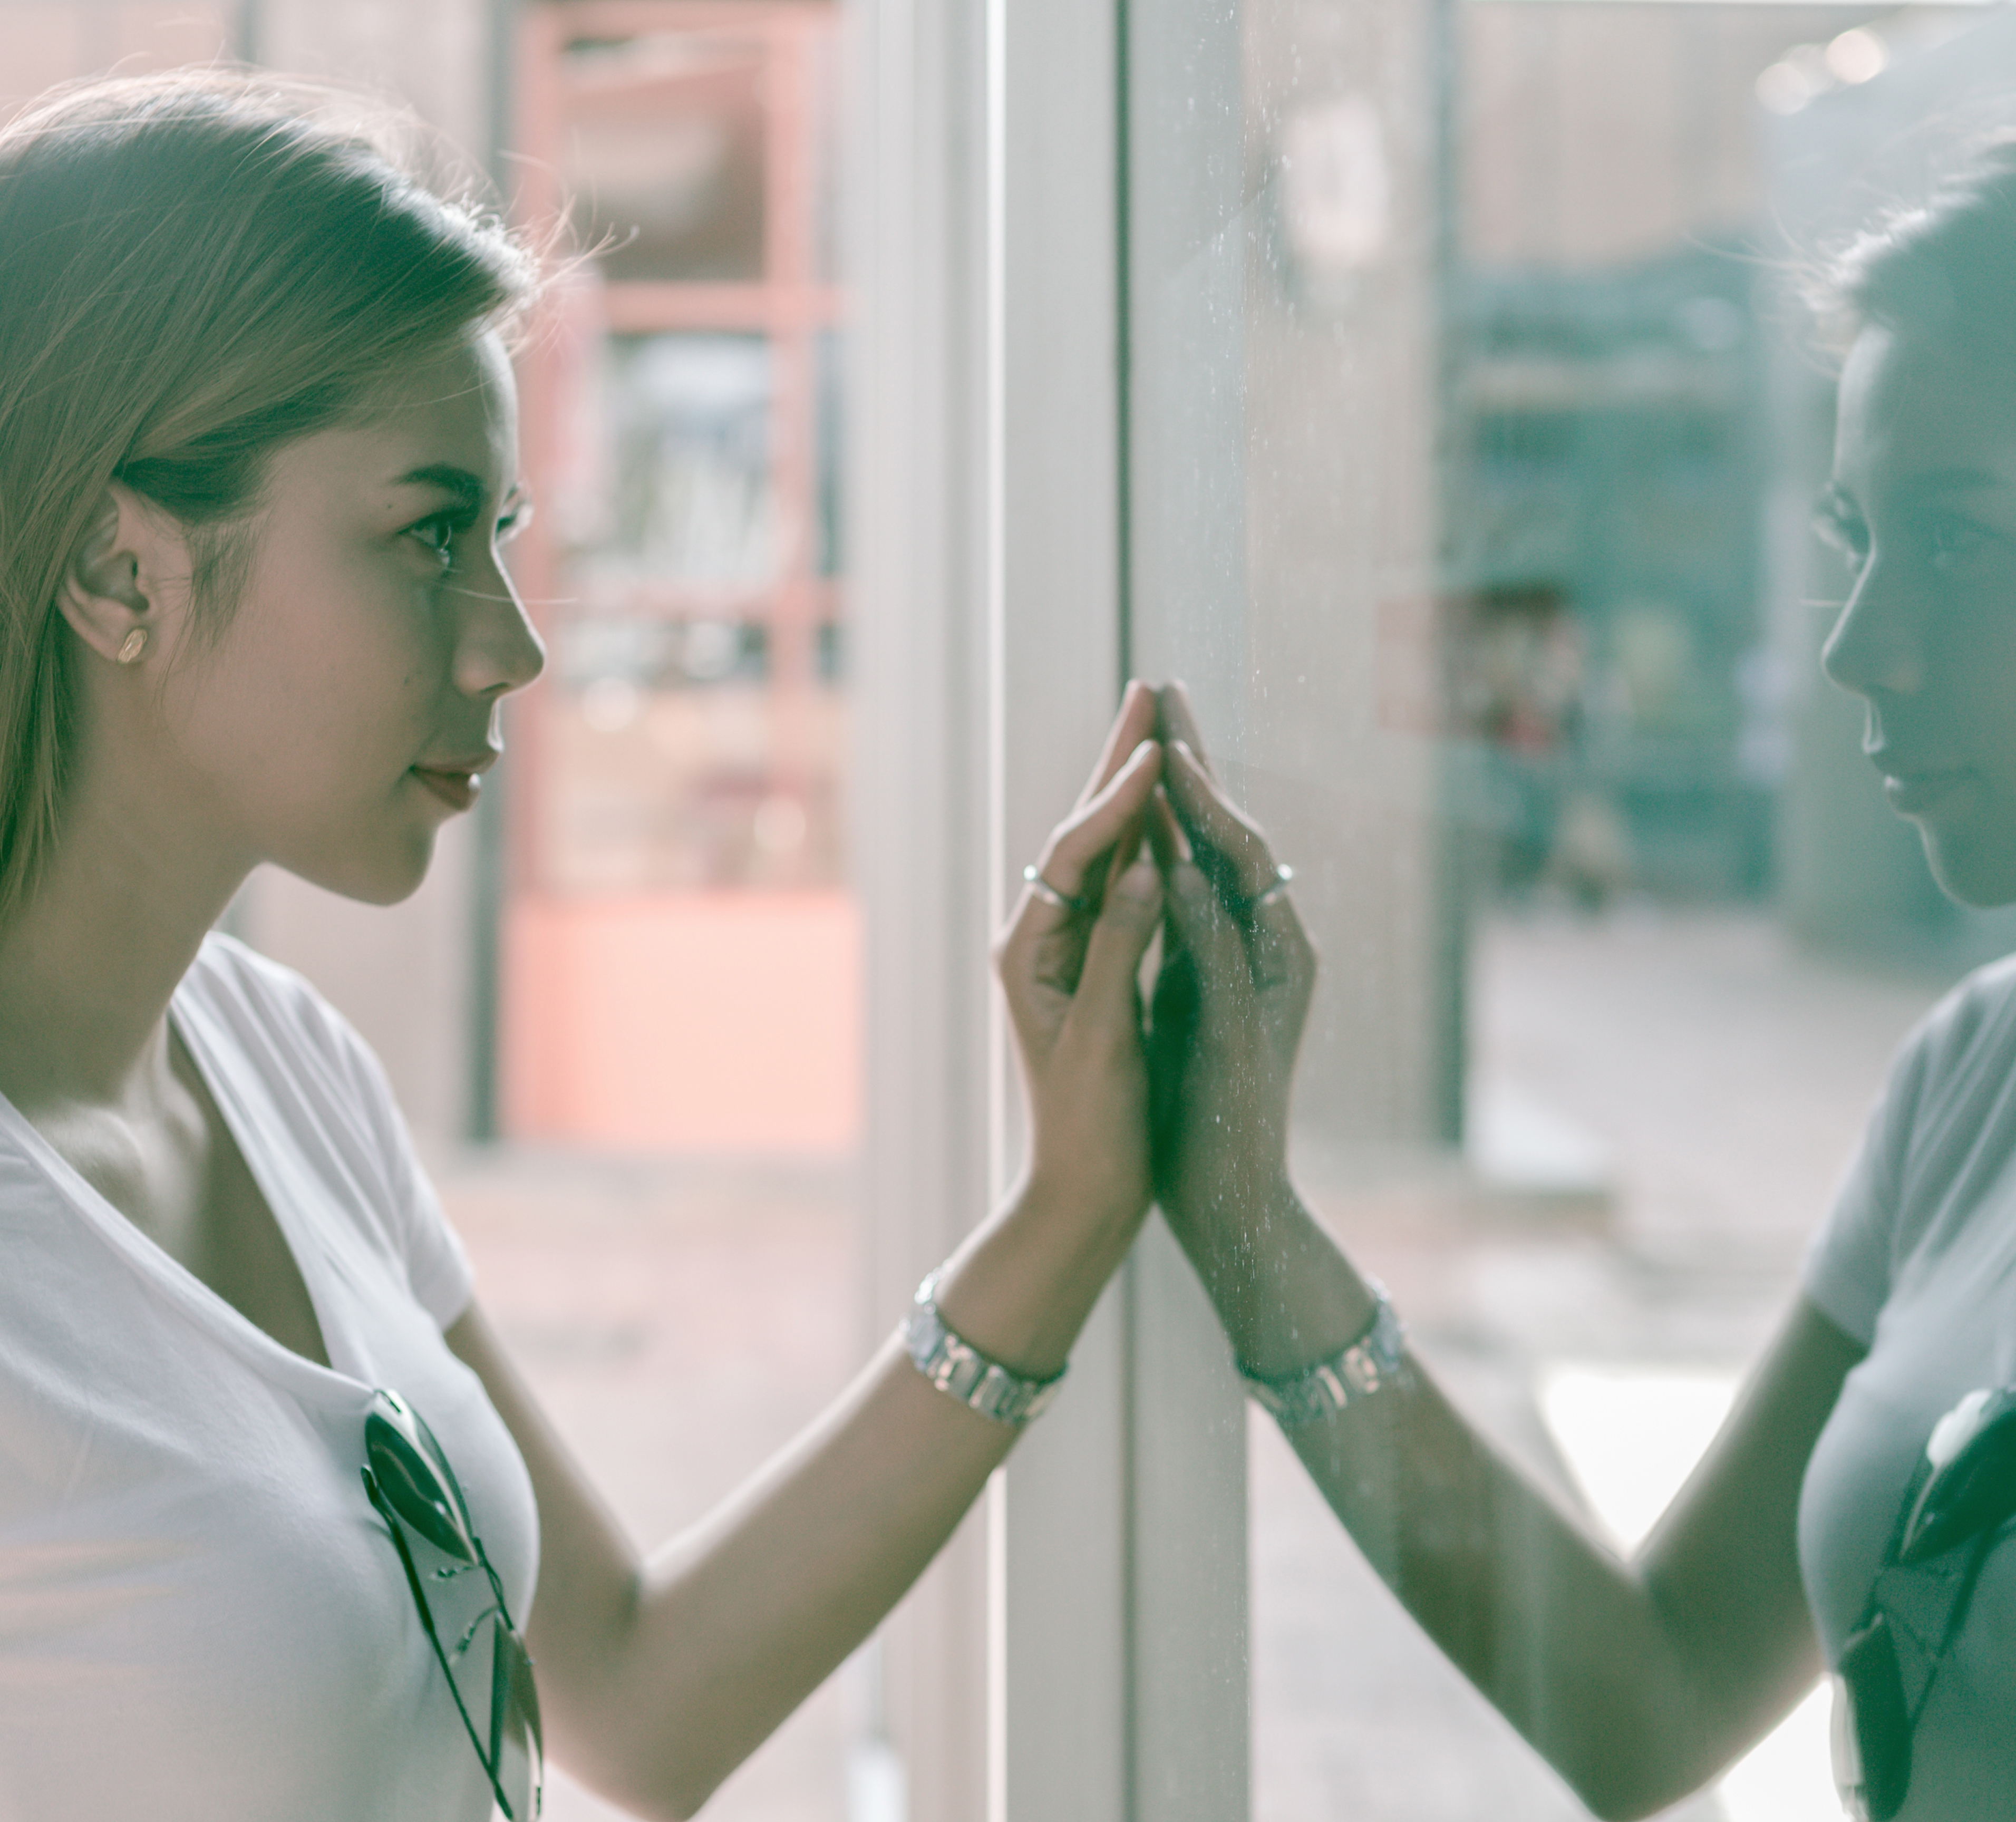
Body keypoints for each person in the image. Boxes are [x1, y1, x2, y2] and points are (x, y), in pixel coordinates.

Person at [0, 70, 1171, 1821]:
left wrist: (1067, 1216)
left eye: (505, 536)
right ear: (117, 569)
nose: (511, 649)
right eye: (424, 535)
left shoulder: (286, 1062)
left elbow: (636, 1690)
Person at [1145, 142, 2016, 1822]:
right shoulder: (1967, 1086)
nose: (1859, 641)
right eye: (1859, 539)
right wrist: (1250, 1229)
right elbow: (1659, 1694)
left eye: (1964, 546)